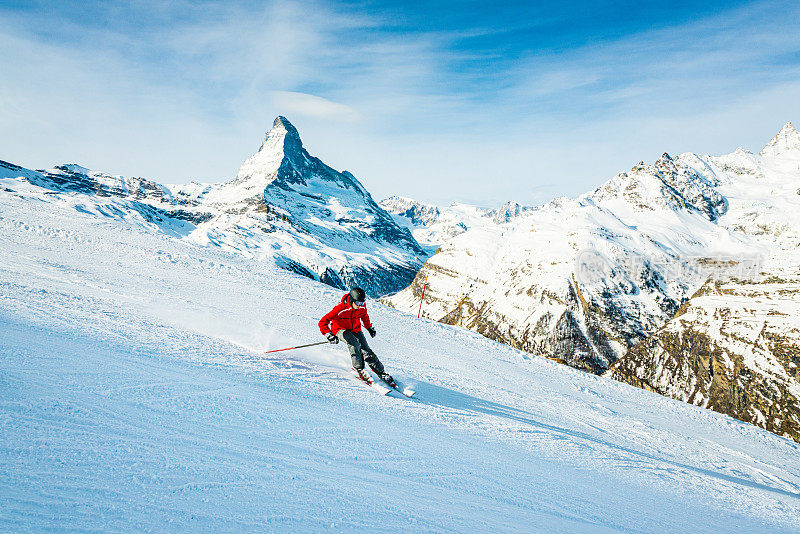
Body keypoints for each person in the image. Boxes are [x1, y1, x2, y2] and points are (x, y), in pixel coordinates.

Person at [319, 287, 395, 387]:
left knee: (366, 350)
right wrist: (328, 334)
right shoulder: (340, 308)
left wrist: (369, 328)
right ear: (351, 300)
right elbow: (323, 322)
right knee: (354, 343)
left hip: (355, 329)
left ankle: (381, 373)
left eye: (362, 303)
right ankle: (359, 369)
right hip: (339, 329)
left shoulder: (362, 307)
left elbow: (364, 317)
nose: (360, 306)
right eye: (358, 303)